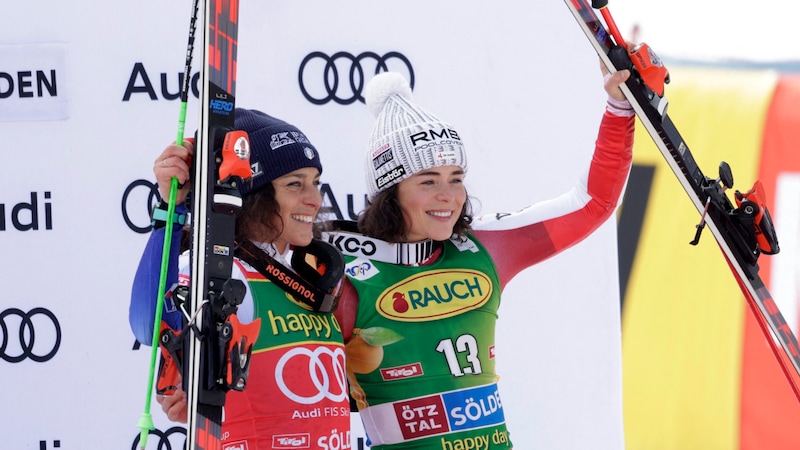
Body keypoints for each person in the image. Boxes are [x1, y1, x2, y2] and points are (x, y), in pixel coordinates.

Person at [323, 69, 635, 449]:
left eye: (456, 178)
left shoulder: (483, 247)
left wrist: (620, 108)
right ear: (389, 192)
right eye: (428, 180)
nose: (448, 195)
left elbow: (592, 204)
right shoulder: (345, 274)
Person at [129, 109, 351, 450]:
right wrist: (170, 208)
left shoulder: (309, 275)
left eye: (315, 182)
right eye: (295, 184)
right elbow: (149, 324)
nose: (315, 199)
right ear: (254, 194)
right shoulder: (222, 269)